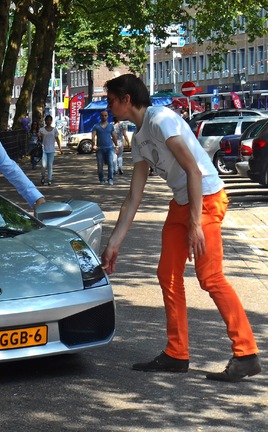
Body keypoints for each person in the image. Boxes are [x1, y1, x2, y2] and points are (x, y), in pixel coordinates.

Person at [101, 73, 261, 382]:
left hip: (206, 197)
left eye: (110, 101)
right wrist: (114, 242)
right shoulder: (139, 137)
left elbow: (194, 170)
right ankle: (177, 353)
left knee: (210, 277)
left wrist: (195, 225)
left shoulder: (161, 119)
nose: (108, 107)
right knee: (167, 274)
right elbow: (133, 197)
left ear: (126, 99)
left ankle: (246, 354)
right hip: (182, 202)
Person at [92, 110, 118, 185]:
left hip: (109, 148)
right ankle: (102, 179)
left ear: (107, 116)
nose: (104, 117)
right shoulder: (96, 126)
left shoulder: (110, 126)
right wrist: (94, 145)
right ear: (100, 116)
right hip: (99, 149)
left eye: (105, 115)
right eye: (102, 115)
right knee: (100, 165)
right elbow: (93, 136)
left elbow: (114, 136)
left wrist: (116, 146)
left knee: (110, 163)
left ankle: (110, 179)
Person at [38, 115, 63, 186]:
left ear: (51, 121)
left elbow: (57, 139)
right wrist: (39, 136)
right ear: (45, 121)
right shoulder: (42, 129)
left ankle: (49, 179)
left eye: (50, 120)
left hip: (51, 150)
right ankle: (43, 177)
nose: (48, 121)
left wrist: (60, 148)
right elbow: (39, 139)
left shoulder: (54, 130)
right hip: (43, 150)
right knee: (43, 165)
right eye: (47, 120)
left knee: (50, 165)